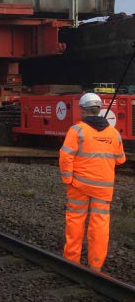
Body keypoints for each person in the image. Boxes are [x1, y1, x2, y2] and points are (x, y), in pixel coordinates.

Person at [59, 92, 126, 270]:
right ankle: (96, 265)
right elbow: (120, 160)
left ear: (82, 110)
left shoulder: (77, 130)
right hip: (103, 189)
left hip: (78, 185)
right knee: (100, 225)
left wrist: (67, 178)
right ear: (99, 110)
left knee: (75, 221)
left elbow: (65, 156)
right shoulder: (113, 133)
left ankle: (71, 261)